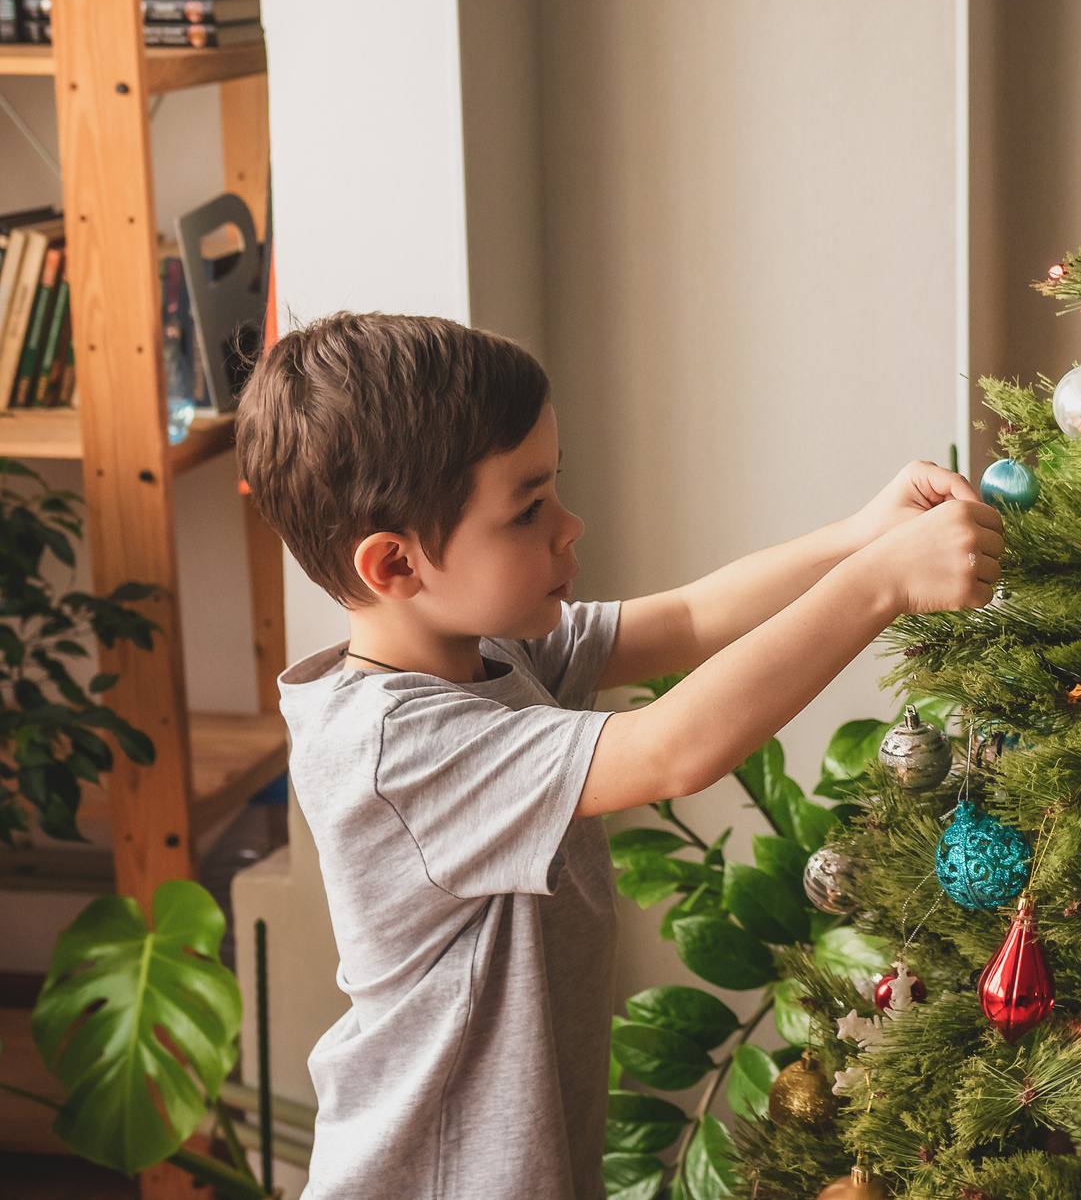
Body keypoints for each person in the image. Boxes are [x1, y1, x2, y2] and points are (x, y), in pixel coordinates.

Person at [243, 312, 1004, 1200]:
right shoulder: (393, 746)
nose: (570, 525)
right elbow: (671, 749)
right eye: (527, 508)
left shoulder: (493, 652)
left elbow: (684, 618)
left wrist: (861, 536)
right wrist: (882, 584)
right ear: (395, 563)